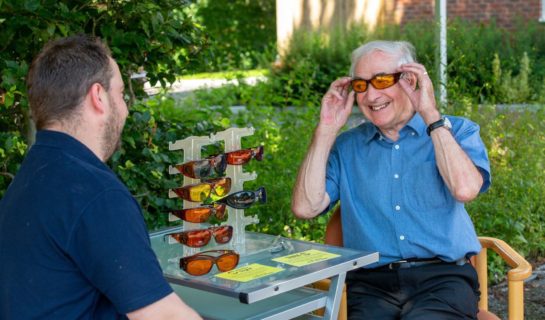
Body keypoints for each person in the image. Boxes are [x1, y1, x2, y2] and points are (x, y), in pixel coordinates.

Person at [0, 35, 201, 320]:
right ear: (98, 96)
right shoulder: (94, 194)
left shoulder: (32, 176)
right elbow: (163, 315)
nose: (126, 108)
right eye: (120, 94)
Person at [292, 40, 491, 319]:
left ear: (410, 80)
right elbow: (305, 207)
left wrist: (431, 116)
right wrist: (325, 130)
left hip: (443, 279)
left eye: (382, 81)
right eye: (361, 85)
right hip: (372, 286)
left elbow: (466, 188)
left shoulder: (457, 131)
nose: (371, 96)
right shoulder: (348, 146)